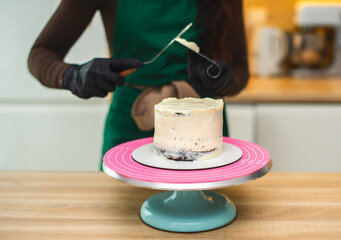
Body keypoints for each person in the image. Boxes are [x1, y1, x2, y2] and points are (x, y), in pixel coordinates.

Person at [28, 0, 249, 170]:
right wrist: (72, 76)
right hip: (131, 124)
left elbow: (241, 68)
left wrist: (226, 82)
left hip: (202, 126)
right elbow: (40, 53)